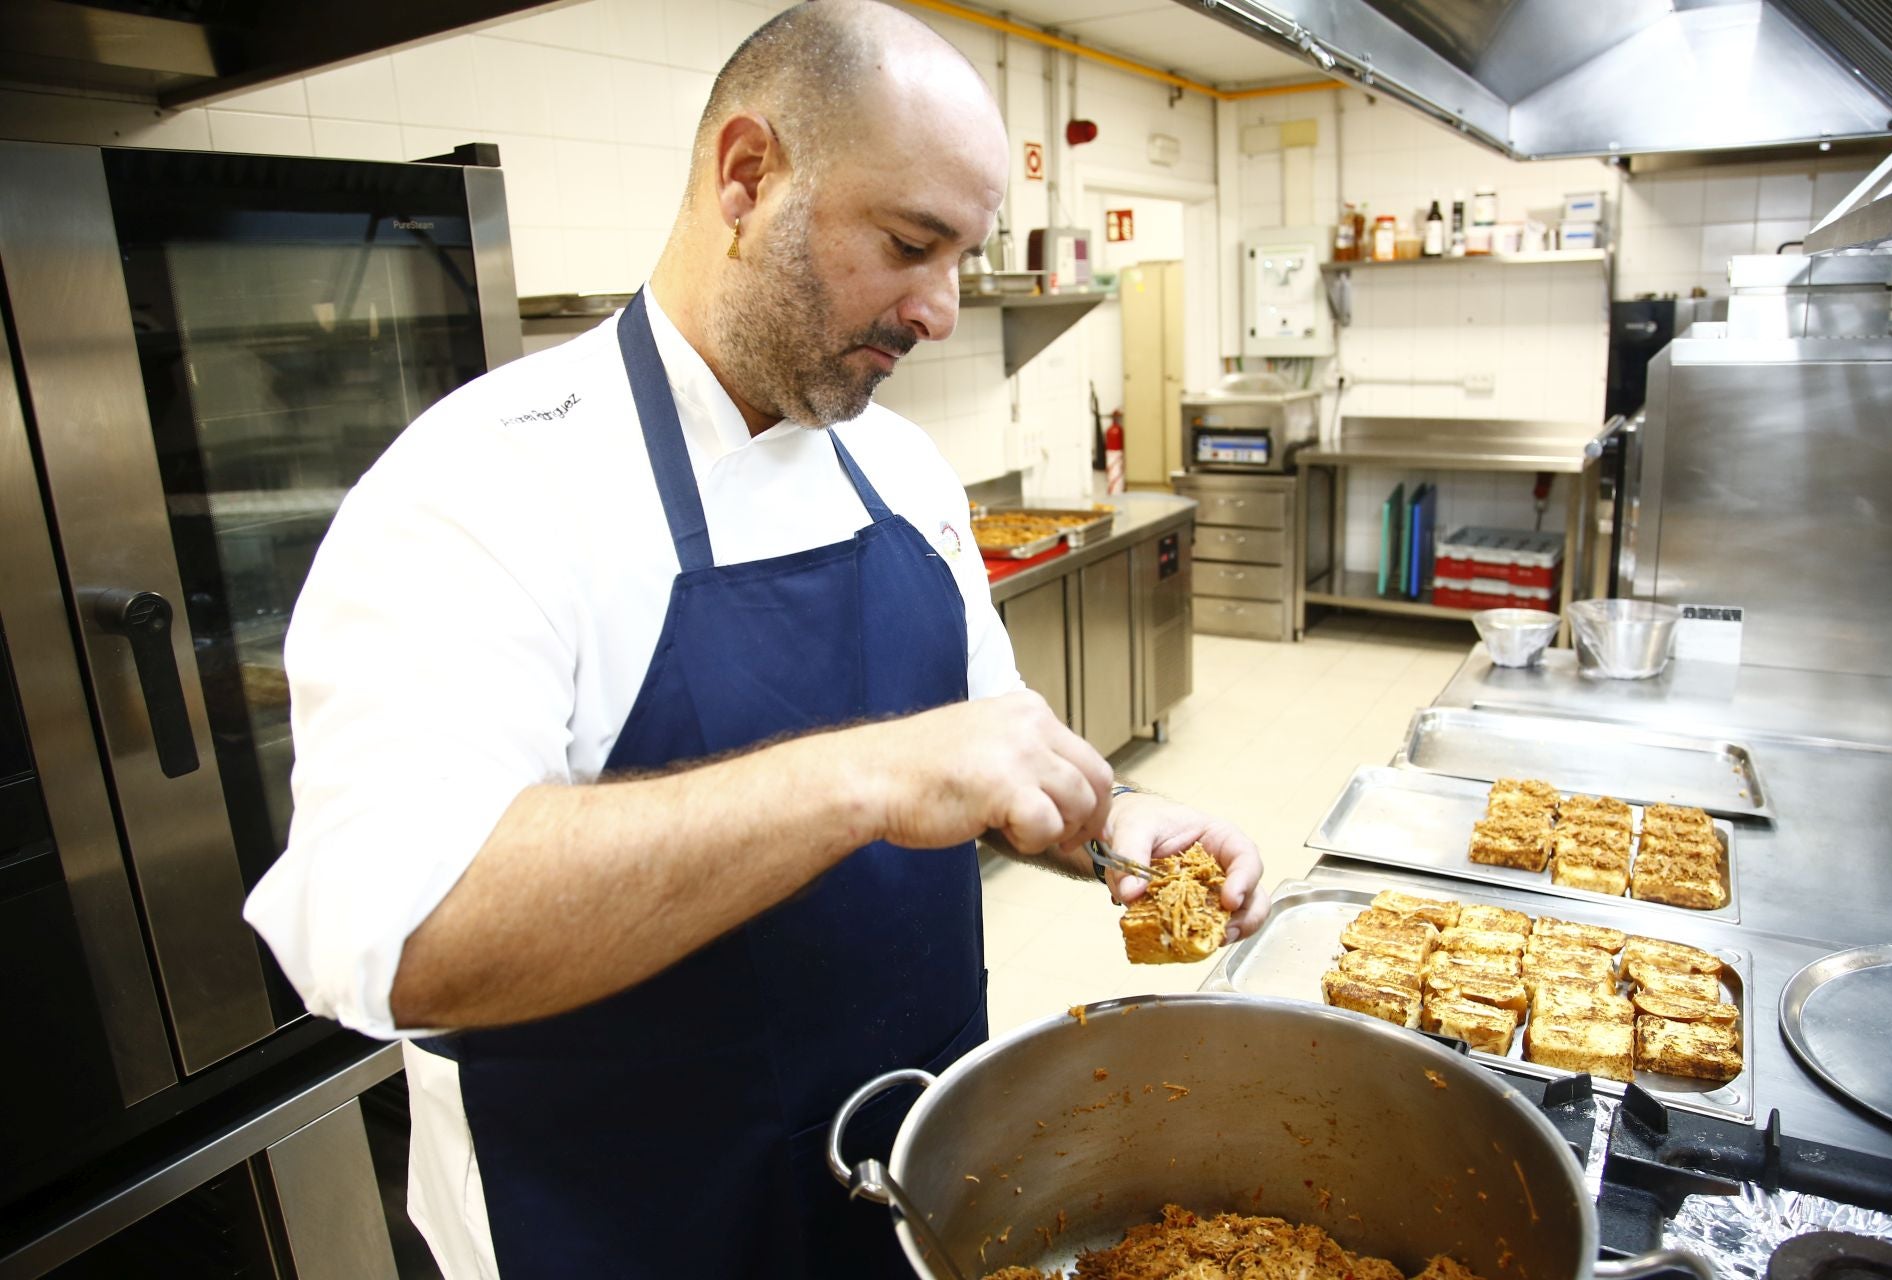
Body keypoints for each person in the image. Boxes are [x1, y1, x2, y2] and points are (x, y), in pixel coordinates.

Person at [244, 2, 1270, 1276]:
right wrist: (867, 775)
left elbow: (992, 757)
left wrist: (1116, 824)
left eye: (964, 255)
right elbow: (399, 939)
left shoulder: (898, 471)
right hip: (627, 1227)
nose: (942, 308)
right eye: (910, 243)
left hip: (908, 1185)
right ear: (746, 175)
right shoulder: (483, 486)